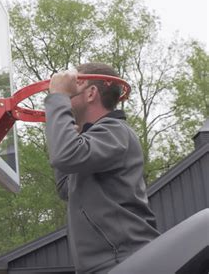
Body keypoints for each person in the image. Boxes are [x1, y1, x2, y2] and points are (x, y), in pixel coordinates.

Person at [45, 63, 160, 274]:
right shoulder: (93, 142)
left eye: (73, 88)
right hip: (109, 264)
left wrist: (58, 98)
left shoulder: (116, 131)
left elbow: (64, 155)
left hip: (127, 261)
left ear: (91, 93)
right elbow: (65, 186)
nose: (67, 95)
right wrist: (69, 131)